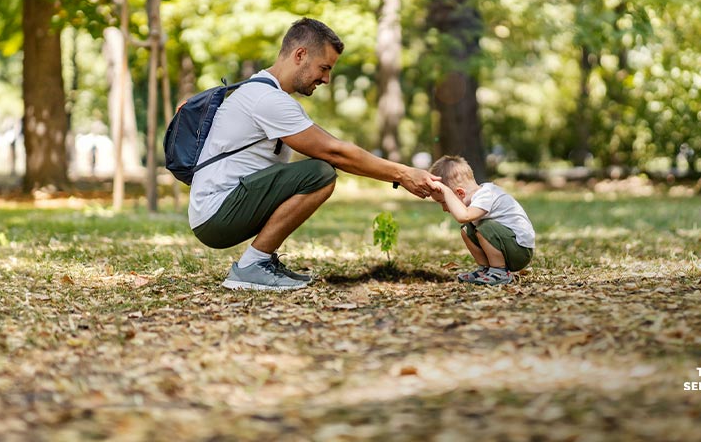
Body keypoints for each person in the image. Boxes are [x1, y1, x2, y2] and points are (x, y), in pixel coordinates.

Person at [189, 17, 440, 291]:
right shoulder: (267, 99)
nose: (326, 79)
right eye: (324, 68)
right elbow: (336, 152)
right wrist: (403, 174)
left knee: (315, 172)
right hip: (217, 214)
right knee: (319, 174)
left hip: (218, 209)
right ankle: (252, 266)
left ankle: (260, 262)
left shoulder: (264, 92)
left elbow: (332, 145)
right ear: (300, 55)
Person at [428, 155, 535, 285]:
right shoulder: (477, 199)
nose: (445, 208)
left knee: (485, 228)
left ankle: (499, 272)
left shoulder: (486, 195)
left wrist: (446, 191)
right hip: (506, 246)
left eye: (444, 202)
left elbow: (463, 216)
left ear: (460, 193)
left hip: (520, 251)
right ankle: (485, 269)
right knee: (467, 229)